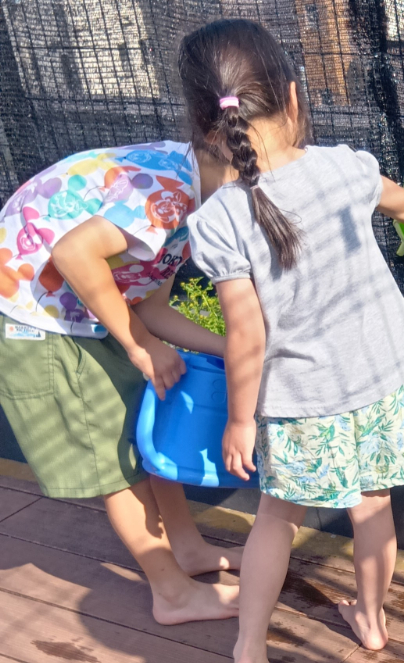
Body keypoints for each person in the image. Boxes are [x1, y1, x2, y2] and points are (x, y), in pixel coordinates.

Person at [179, 19, 404, 663]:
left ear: (205, 125)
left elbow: (244, 335)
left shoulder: (217, 219)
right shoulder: (347, 167)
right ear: (294, 98)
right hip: (374, 382)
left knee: (277, 517)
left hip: (296, 398)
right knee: (373, 506)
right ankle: (369, 621)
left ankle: (250, 652)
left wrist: (239, 422)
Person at [0, 141, 243, 624]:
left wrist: (234, 351)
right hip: (36, 315)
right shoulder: (167, 195)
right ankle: (170, 593)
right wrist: (141, 346)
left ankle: (187, 549)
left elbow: (151, 309)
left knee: (146, 432)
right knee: (115, 453)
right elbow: (73, 253)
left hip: (89, 311)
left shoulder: (198, 199)